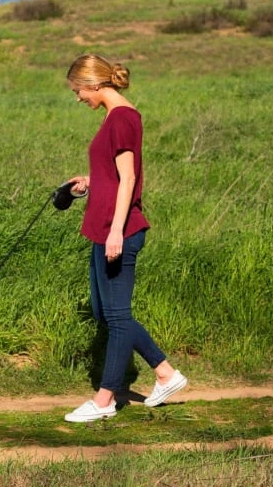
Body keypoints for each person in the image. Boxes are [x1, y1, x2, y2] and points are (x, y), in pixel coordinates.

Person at [63, 54, 187, 423]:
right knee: (105, 312)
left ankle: (104, 401)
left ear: (94, 84)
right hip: (103, 226)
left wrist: (117, 229)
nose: (78, 98)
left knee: (117, 318)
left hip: (119, 230)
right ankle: (165, 373)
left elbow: (129, 178)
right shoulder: (114, 117)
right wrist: (91, 181)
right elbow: (115, 174)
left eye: (78, 91)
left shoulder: (121, 118)